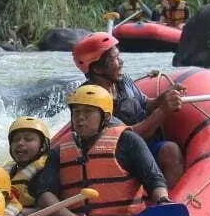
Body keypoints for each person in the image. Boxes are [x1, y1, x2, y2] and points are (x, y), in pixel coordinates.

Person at [35, 85, 170, 216]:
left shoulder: (128, 141)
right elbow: (45, 193)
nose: (80, 118)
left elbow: (154, 179)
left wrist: (163, 201)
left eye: (88, 112)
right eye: (76, 112)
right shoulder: (59, 150)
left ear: (105, 117)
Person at [71, 32, 185, 188]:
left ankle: (168, 200)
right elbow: (131, 137)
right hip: (118, 156)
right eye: (115, 59)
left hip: (144, 145)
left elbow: (145, 104)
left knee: (170, 150)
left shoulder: (122, 80)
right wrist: (163, 110)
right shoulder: (89, 102)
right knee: (170, 151)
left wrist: (163, 98)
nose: (121, 62)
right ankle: (162, 203)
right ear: (97, 69)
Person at [4, 116, 51, 216]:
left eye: (28, 139)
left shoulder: (46, 172)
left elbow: (50, 210)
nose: (20, 143)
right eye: (15, 140)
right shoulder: (7, 171)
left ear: (42, 146)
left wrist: (16, 212)